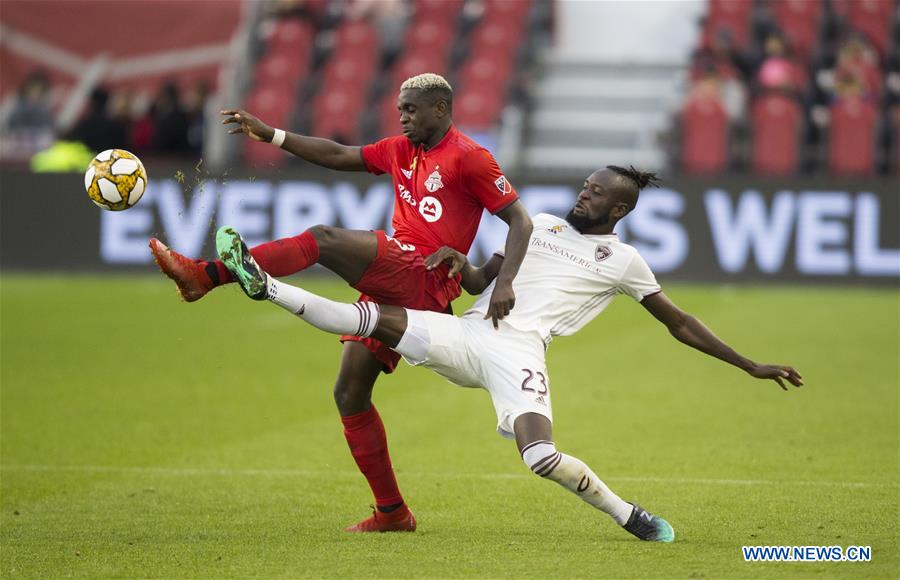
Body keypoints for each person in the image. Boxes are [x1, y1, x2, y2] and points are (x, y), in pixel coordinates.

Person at [213, 165, 804, 541]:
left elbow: (678, 322)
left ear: (618, 210)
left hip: (519, 350)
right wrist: (458, 265)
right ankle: (265, 286)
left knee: (539, 455)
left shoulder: (623, 262)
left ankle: (630, 517)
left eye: (597, 193)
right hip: (470, 332)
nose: (585, 194)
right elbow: (480, 284)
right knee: (370, 320)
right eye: (586, 185)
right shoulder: (541, 225)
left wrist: (749, 363)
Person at [149, 73, 532, 532]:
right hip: (401, 278)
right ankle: (392, 512)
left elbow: (521, 221)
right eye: (400, 110)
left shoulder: (470, 158)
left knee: (324, 239)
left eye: (411, 109)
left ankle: (206, 276)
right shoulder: (399, 149)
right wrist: (271, 134)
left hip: (421, 274)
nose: (403, 117)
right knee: (349, 394)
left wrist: (504, 282)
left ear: (441, 109)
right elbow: (337, 154)